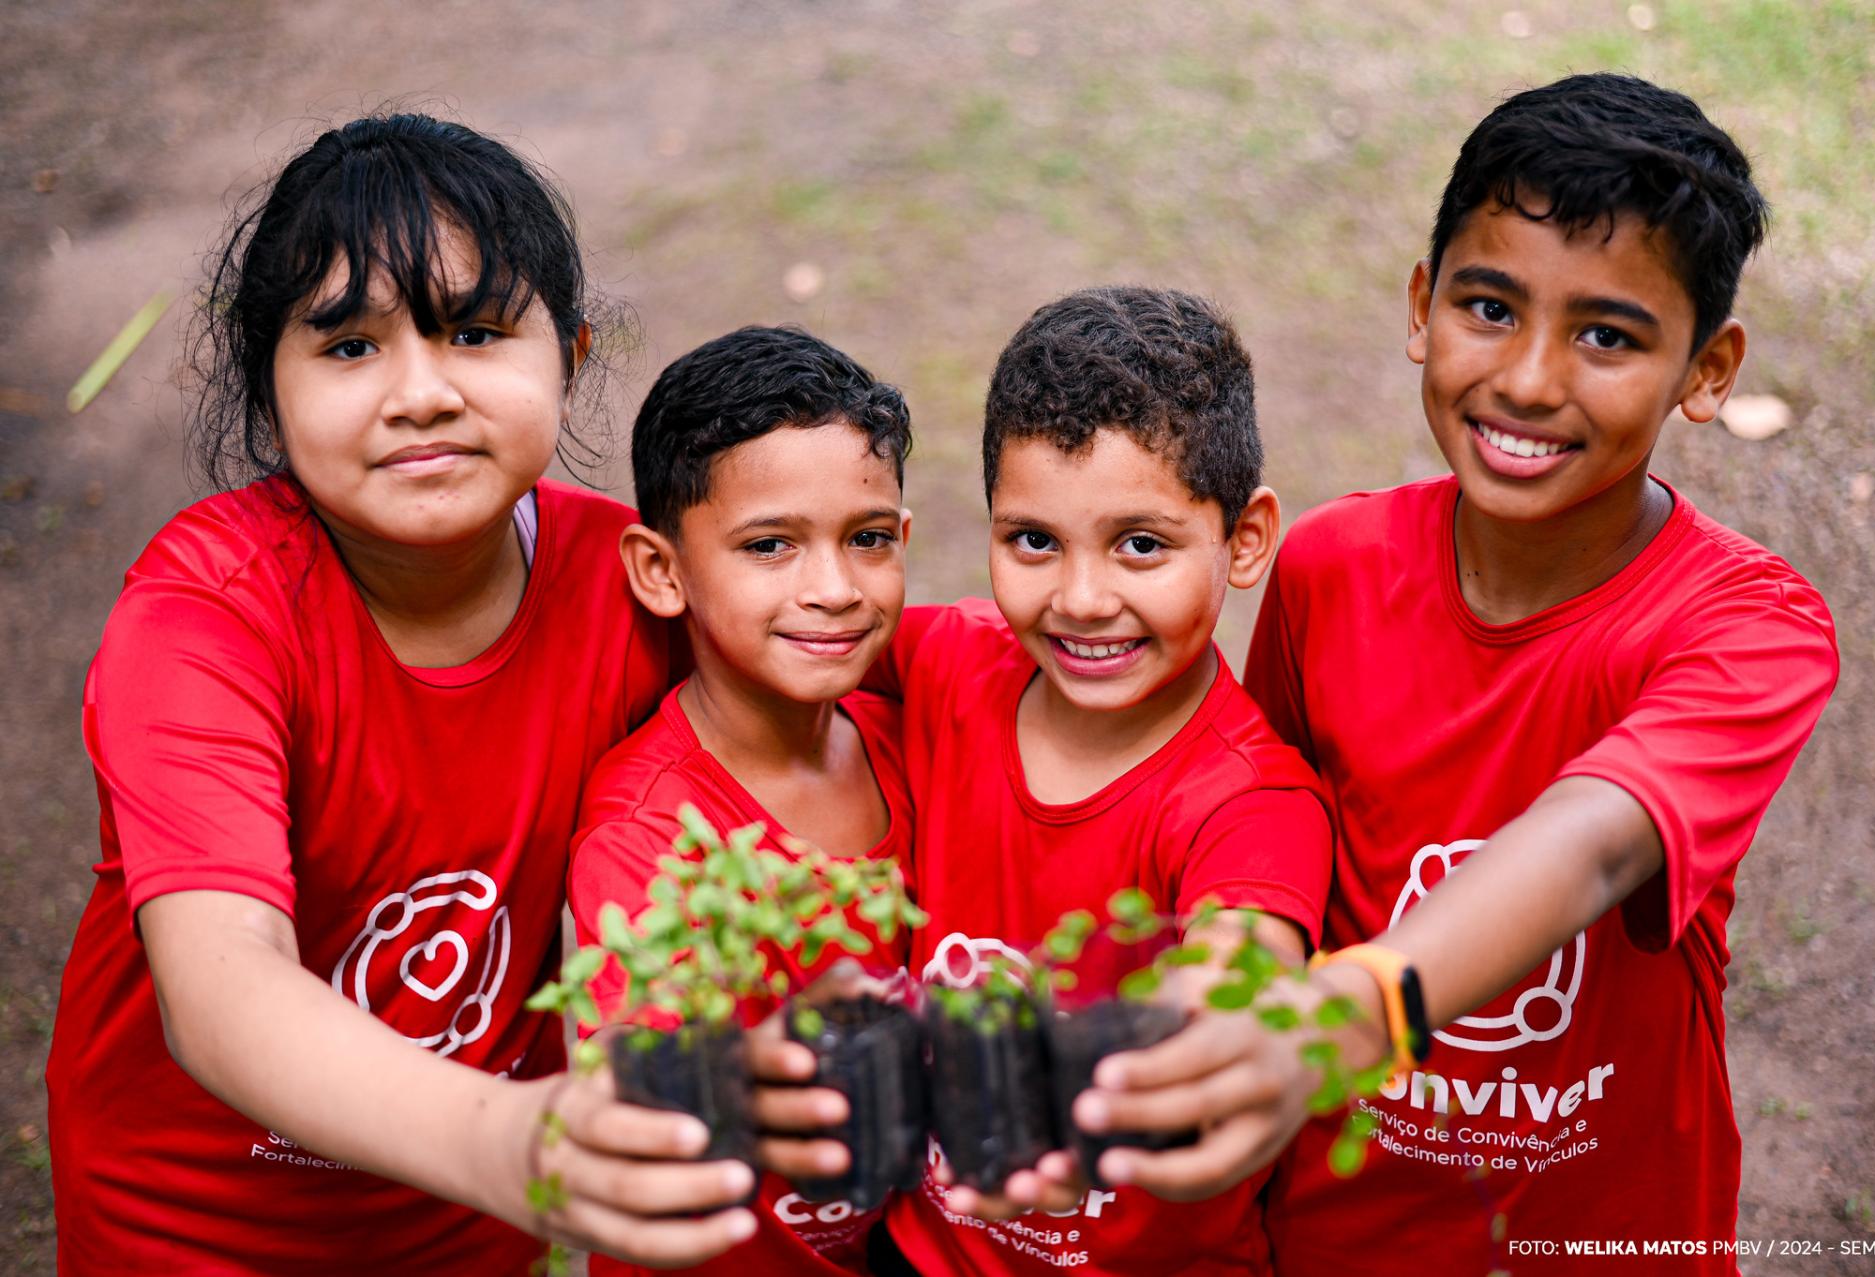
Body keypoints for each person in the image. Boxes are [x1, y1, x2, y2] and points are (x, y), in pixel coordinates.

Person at [1074, 74, 1840, 1274]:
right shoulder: (1330, 564)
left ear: (1708, 367)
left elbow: (1596, 839)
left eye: (1608, 335)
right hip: (1330, 1229)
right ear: (1424, 306)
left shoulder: (1748, 625)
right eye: (1490, 305)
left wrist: (1349, 1014)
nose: (1531, 379)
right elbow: (1271, 829)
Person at [46, 114, 769, 1274]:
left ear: (570, 354)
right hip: (189, 1229)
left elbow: (908, 678)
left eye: (476, 331)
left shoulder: (639, 583)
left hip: (469, 1230)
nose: (421, 393)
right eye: (348, 347)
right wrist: (516, 1138)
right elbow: (221, 984)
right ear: (266, 386)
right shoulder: (203, 615)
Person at [870, 286, 1334, 1276]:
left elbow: (1243, 971)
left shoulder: (1251, 800)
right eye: (1034, 540)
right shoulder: (949, 662)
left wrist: (1187, 1046)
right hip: (926, 1251)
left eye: (1141, 544)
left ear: (1244, 539)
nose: (1082, 600)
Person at [568, 324, 917, 1276]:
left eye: (868, 538)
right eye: (771, 545)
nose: (835, 589)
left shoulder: (913, 741)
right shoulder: (648, 833)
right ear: (662, 571)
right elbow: (645, 1081)